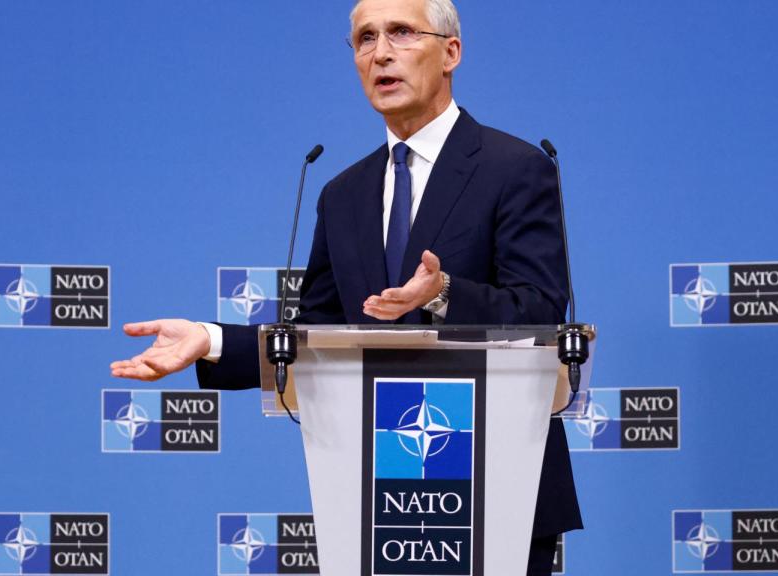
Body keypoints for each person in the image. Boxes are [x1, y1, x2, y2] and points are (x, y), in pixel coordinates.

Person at [110, 0, 581, 573]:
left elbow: (541, 310)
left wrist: (441, 293)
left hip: (496, 482)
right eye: (365, 38)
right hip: (377, 491)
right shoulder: (342, 193)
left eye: (402, 33)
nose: (381, 52)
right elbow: (318, 333)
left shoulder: (516, 167)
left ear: (451, 52)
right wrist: (210, 341)